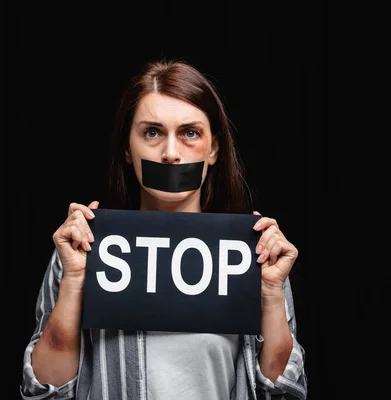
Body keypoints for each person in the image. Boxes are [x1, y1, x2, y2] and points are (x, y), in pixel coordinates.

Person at [20, 59, 308, 399]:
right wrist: (73, 282)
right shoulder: (83, 248)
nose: (170, 154)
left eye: (190, 133)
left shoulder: (254, 254)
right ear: (128, 149)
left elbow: (285, 394)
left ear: (213, 149)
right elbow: (43, 392)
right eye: (152, 132)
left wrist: (272, 296)